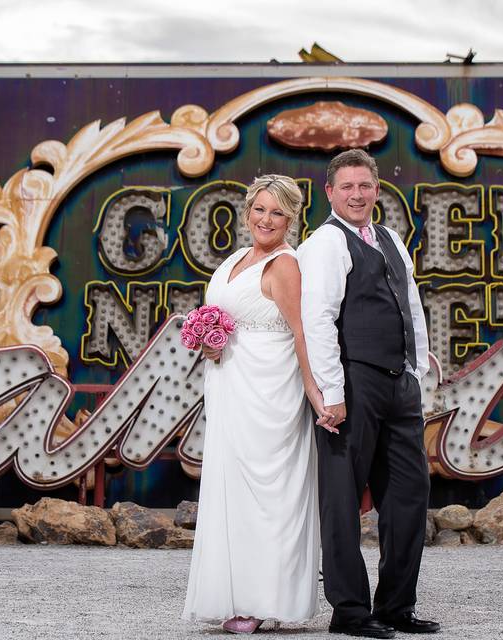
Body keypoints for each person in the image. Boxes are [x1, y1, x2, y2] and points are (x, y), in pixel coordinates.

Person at [182, 175, 334, 634]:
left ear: (292, 219)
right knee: (230, 489)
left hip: (270, 395)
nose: (266, 220)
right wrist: (209, 343)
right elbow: (231, 321)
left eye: (278, 213)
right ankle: (233, 596)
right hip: (229, 386)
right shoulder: (234, 259)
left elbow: (302, 332)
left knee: (267, 494)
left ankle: (263, 600)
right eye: (260, 210)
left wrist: (316, 392)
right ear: (247, 211)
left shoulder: (286, 265)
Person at [298, 149, 439, 638]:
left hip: (399, 383)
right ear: (330, 192)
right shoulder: (324, 244)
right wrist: (331, 392)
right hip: (353, 381)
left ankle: (396, 606)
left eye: (365, 185)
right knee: (341, 497)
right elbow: (318, 320)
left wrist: (417, 368)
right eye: (347, 187)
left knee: (409, 494)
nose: (357, 194)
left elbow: (411, 305)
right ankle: (351, 612)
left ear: (377, 190)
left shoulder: (391, 238)